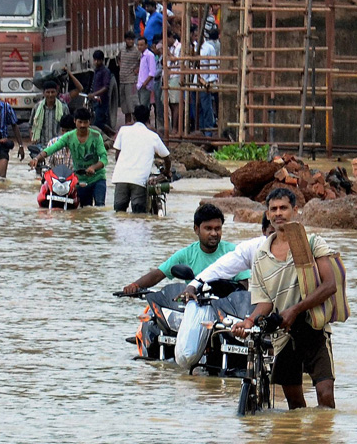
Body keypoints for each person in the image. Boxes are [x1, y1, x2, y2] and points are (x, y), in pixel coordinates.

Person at [232, 188, 337, 410]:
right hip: (283, 334)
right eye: (274, 209)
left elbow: (330, 285)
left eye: (284, 208)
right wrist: (249, 321)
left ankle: (322, 442)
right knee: (295, 405)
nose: (278, 213)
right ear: (268, 214)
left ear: (295, 211)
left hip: (313, 327)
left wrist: (295, 310)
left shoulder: (311, 243)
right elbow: (265, 302)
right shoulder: (260, 256)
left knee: (325, 396)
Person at [123, 203, 251, 293]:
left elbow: (243, 287)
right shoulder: (186, 254)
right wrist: (135, 286)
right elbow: (158, 274)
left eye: (217, 228)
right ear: (196, 229)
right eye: (208, 228)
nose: (214, 233)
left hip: (225, 310)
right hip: (194, 307)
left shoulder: (233, 252)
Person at [180, 212, 275, 302]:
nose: (276, 237)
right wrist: (193, 285)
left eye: (217, 228)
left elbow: (243, 287)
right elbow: (220, 268)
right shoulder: (252, 248)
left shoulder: (290, 251)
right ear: (263, 231)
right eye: (272, 233)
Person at [29, 108, 108, 207]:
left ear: (89, 122)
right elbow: (52, 149)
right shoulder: (69, 137)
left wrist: (93, 168)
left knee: (99, 207)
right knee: (85, 209)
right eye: (80, 122)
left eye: (85, 122)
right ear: (75, 121)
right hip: (80, 179)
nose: (82, 125)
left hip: (98, 177)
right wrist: (37, 158)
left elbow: (104, 158)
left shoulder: (96, 137)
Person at [112, 105, 171, 213]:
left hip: (121, 177)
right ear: (149, 119)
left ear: (133, 117)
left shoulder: (123, 130)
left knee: (119, 212)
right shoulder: (153, 136)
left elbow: (117, 156)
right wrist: (167, 171)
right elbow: (167, 157)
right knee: (139, 214)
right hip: (139, 180)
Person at [190, 25, 218, 137]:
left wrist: (210, 82)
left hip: (204, 82)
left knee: (206, 107)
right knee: (197, 108)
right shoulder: (194, 47)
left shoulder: (209, 48)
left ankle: (208, 130)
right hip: (194, 82)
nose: (196, 37)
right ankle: (201, 130)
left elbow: (213, 67)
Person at [29, 80, 69, 146]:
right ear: (44, 93)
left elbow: (68, 127)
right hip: (41, 145)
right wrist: (33, 139)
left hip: (58, 145)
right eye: (48, 92)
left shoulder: (63, 108)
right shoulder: (37, 107)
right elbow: (31, 125)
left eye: (53, 92)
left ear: (57, 92)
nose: (50, 95)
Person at [88, 50, 114, 135]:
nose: (96, 62)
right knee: (97, 122)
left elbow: (106, 87)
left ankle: (111, 134)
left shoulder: (105, 71)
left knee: (98, 122)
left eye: (98, 60)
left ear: (102, 60)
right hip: (95, 101)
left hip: (102, 101)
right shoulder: (96, 71)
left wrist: (94, 94)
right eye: (95, 60)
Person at [118, 31, 140, 124]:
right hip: (122, 81)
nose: (130, 41)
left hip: (131, 81)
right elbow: (118, 58)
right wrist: (121, 66)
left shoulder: (136, 51)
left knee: (133, 106)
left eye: (132, 39)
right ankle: (127, 125)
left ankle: (136, 124)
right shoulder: (122, 49)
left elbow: (141, 61)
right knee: (125, 107)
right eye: (128, 39)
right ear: (125, 40)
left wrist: (137, 70)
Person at [167, 31, 181, 134]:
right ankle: (172, 126)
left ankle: (176, 127)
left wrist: (167, 52)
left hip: (176, 75)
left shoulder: (179, 47)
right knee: (170, 103)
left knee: (175, 103)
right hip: (169, 76)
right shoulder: (170, 47)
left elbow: (175, 60)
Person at [136, 36, 156, 111]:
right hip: (140, 85)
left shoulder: (150, 55)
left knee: (144, 107)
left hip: (145, 86)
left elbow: (152, 72)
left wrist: (145, 83)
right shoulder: (142, 56)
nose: (139, 47)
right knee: (142, 106)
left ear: (146, 45)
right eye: (138, 45)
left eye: (141, 45)